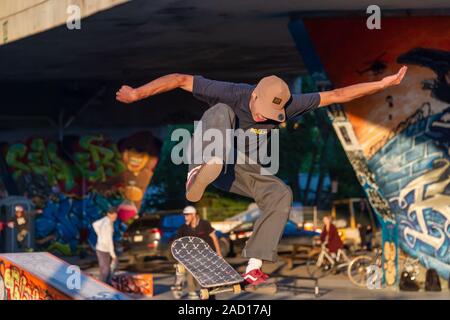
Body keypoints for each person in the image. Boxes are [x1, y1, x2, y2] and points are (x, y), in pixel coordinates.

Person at [116, 66, 407, 285]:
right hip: (209, 150)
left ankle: (254, 263)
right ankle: (199, 171)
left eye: (272, 115)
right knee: (221, 112)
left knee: (281, 193)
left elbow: (336, 95)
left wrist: (381, 84)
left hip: (238, 170)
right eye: (262, 110)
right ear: (254, 94)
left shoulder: (289, 104)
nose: (264, 118)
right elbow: (180, 79)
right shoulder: (232, 92)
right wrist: (137, 94)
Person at [174, 205, 222, 299]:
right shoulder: (183, 228)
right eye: (184, 215)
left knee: (207, 276)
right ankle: (192, 292)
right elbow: (179, 244)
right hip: (193, 256)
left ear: (194, 214)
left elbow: (214, 237)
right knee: (191, 274)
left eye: (187, 215)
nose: (185, 217)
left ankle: (210, 295)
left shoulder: (204, 224)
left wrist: (218, 253)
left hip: (207, 254)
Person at [93, 209, 118, 284]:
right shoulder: (107, 226)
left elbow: (94, 224)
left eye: (115, 215)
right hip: (103, 249)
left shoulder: (105, 219)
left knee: (106, 269)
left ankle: (106, 284)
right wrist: (113, 255)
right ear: (108, 214)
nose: (115, 217)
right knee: (105, 270)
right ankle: (103, 286)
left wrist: (99, 234)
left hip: (101, 248)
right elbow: (109, 242)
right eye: (113, 216)